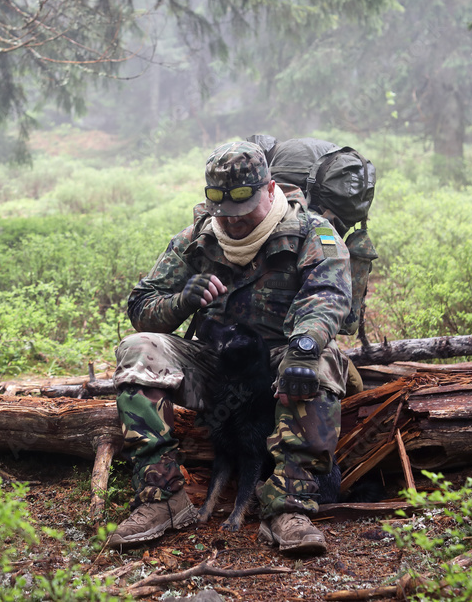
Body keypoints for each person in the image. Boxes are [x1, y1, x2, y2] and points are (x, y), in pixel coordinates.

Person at [108, 140, 352, 557]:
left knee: (323, 360)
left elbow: (328, 295)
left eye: (244, 212)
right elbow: (142, 309)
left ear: (270, 189)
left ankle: (288, 507)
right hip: (218, 365)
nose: (235, 223)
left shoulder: (311, 232)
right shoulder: (197, 239)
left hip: (280, 360)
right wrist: (183, 300)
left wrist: (305, 345)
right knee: (138, 347)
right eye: (225, 214)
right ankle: (163, 496)